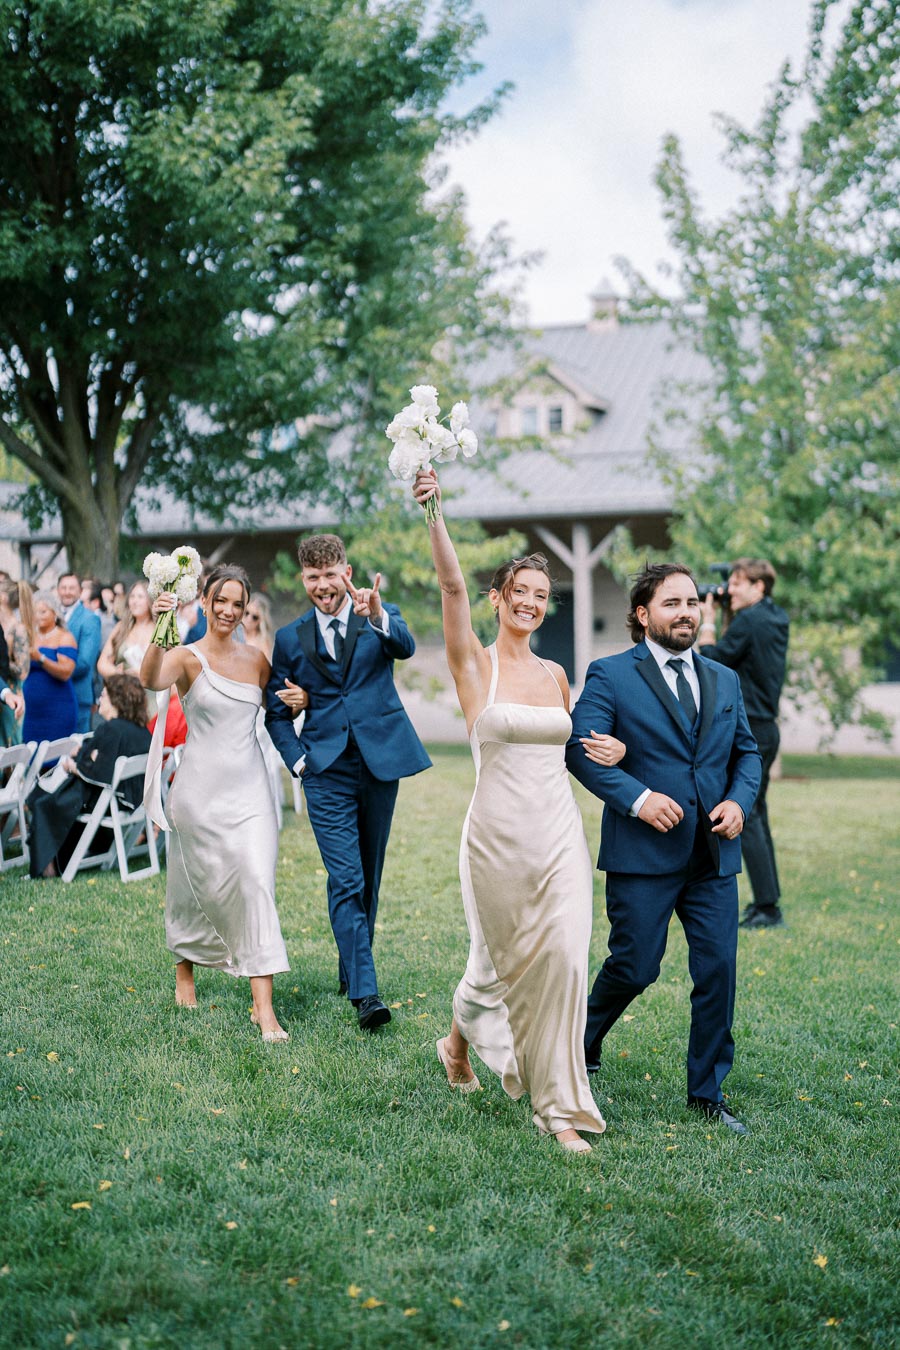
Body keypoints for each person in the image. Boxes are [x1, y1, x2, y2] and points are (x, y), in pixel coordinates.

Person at [412, 469, 623, 1153]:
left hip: (558, 835)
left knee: (564, 958)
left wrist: (616, 751)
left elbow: (573, 750)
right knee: (492, 965)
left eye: (540, 595)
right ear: (498, 598)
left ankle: (558, 1110)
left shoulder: (557, 675)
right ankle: (456, 1043)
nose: (530, 602)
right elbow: (450, 588)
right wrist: (435, 511)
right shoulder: (475, 667)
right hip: (496, 839)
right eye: (519, 592)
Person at [566, 563, 761, 1136]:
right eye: (671, 603)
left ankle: (707, 1093)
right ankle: (581, 1042)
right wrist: (639, 798)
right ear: (642, 614)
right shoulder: (610, 675)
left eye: (692, 602)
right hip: (643, 854)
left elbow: (746, 754)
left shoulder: (724, 679)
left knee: (718, 969)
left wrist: (738, 803)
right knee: (635, 967)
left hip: (712, 856)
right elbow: (579, 748)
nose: (686, 612)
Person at [265, 532, 430, 1033]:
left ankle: (350, 968)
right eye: (313, 577)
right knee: (347, 878)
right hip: (325, 770)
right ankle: (366, 993)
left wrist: (377, 615)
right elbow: (275, 713)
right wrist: (298, 763)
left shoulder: (379, 614)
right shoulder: (290, 639)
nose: (323, 585)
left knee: (369, 875)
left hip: (379, 763)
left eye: (330, 575)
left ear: (348, 573)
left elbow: (405, 646)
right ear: (303, 579)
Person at [141, 564, 289, 1041]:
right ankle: (185, 971)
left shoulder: (258, 660)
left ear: (246, 610)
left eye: (237, 603)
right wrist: (161, 625)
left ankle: (263, 1009)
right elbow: (150, 679)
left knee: (256, 881)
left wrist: (301, 699)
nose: (228, 610)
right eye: (220, 600)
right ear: (203, 602)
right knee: (190, 884)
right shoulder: (186, 658)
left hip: (251, 793)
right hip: (199, 793)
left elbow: (280, 710)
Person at [698, 558, 789, 929]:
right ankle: (767, 902)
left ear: (759, 586)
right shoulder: (774, 617)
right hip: (767, 727)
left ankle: (767, 908)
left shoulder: (749, 621)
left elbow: (712, 662)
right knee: (757, 814)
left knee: (745, 813)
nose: (729, 589)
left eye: (737, 583)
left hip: (751, 729)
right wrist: (728, 613)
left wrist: (707, 620)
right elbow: (739, 657)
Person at [27, 674, 151, 878]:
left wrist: (73, 766)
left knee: (45, 801)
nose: (99, 699)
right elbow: (104, 762)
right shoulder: (143, 732)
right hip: (134, 802)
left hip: (109, 802)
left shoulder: (111, 729)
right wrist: (87, 756)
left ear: (116, 700)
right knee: (55, 798)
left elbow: (100, 773)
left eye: (103, 695)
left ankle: (49, 866)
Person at [242, 593, 285, 828]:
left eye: (254, 617)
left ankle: (267, 810)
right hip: (238, 703)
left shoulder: (264, 644)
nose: (248, 619)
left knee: (260, 753)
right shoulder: (235, 638)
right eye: (246, 613)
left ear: (262, 620)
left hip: (258, 705)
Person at [22, 591, 78, 744]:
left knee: (55, 751)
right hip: (31, 710)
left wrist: (40, 658)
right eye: (35, 612)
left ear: (55, 613)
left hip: (57, 707)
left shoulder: (65, 637)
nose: (38, 616)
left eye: (43, 612)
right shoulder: (29, 636)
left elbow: (66, 672)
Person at [57, 572, 103, 734]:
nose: (67, 592)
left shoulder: (89, 619)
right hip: (52, 697)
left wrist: (50, 669)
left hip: (77, 696)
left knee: (75, 746)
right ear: (58, 590)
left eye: (71, 588)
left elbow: (84, 662)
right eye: (63, 588)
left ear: (80, 591)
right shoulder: (51, 615)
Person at [97, 581, 155, 681]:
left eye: (140, 597)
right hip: (124, 686)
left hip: (152, 688)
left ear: (150, 600)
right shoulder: (121, 627)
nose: (135, 601)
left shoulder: (161, 630)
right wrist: (121, 674)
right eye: (132, 596)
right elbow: (102, 664)